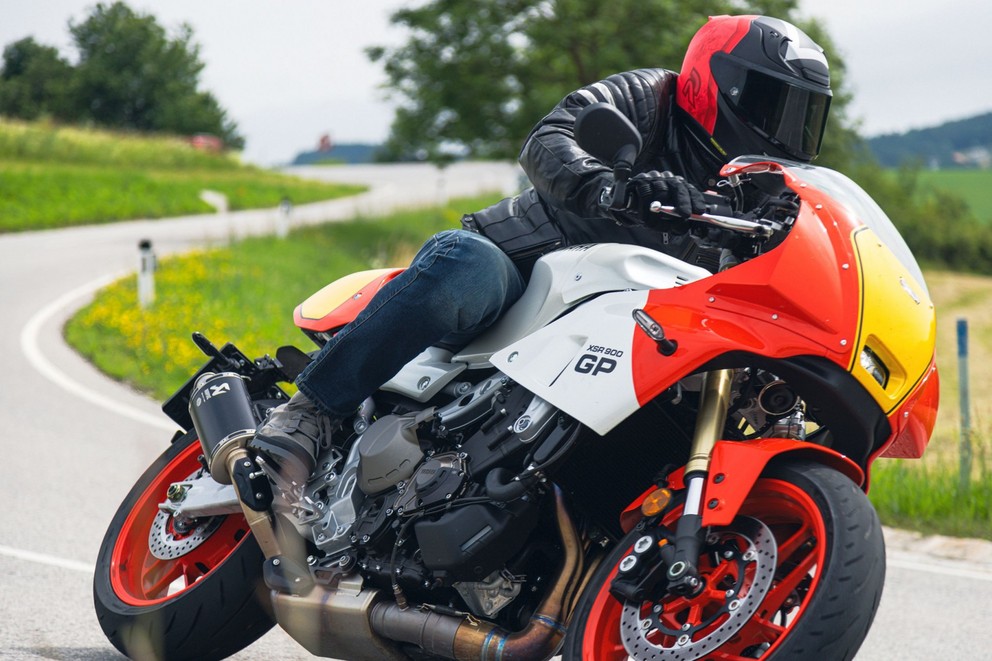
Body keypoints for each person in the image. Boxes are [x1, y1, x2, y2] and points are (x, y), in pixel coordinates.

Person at [250, 14, 833, 484]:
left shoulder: (767, 193)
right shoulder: (652, 97)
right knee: (465, 266)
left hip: (635, 323)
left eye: (799, 114)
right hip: (523, 273)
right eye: (767, 104)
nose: (781, 128)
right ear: (717, 81)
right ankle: (312, 410)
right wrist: (607, 186)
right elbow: (554, 137)